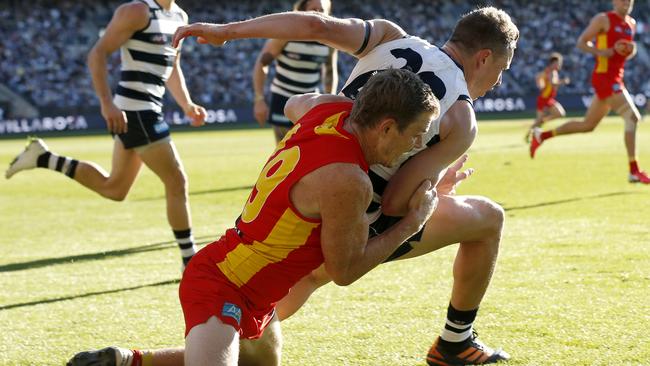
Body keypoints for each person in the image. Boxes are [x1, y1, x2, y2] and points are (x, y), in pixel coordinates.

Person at [69, 6, 517, 366]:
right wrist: (429, 195)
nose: (495, 83)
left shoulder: (386, 38)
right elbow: (398, 202)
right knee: (488, 219)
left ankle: (132, 360)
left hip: (302, 214)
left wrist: (229, 31)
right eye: (498, 73)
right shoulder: (457, 116)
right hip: (348, 219)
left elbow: (312, 32)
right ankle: (455, 343)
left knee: (264, 322)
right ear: (484, 58)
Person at [70, 68, 440, 366]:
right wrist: (413, 222)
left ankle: (124, 360)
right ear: (387, 126)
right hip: (221, 285)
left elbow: (296, 102)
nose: (418, 147)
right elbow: (344, 271)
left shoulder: (330, 113)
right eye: (417, 135)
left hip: (257, 296)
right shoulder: (348, 180)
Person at [5, 0, 207, 268]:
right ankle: (189, 260)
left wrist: (187, 104)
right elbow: (97, 54)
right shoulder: (137, 11)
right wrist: (106, 103)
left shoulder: (180, 16)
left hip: (145, 110)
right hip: (135, 111)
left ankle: (43, 158)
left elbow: (173, 67)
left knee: (115, 188)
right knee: (177, 181)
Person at [530, 0, 650, 184]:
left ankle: (541, 136)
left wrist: (631, 51)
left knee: (588, 125)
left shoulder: (631, 24)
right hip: (604, 78)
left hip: (616, 78)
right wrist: (600, 52)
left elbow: (623, 51)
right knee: (632, 117)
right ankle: (634, 170)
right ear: (614, 1)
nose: (626, 2)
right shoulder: (603, 19)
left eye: (630, 0)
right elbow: (581, 42)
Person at [253, 0, 337, 143]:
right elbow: (261, 64)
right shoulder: (286, 34)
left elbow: (330, 72)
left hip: (311, 102)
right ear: (302, 10)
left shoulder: (329, 41)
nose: (317, 13)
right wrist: (259, 99)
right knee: (286, 152)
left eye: (321, 10)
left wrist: (331, 102)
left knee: (310, 151)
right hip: (282, 101)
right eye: (313, 9)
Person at [525, 52, 570, 142]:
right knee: (539, 120)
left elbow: (538, 77)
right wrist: (563, 82)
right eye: (558, 63)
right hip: (543, 99)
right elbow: (552, 83)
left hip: (548, 99)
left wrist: (540, 84)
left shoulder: (549, 71)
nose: (559, 64)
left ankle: (543, 121)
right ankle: (528, 136)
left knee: (560, 113)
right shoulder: (552, 72)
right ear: (553, 63)